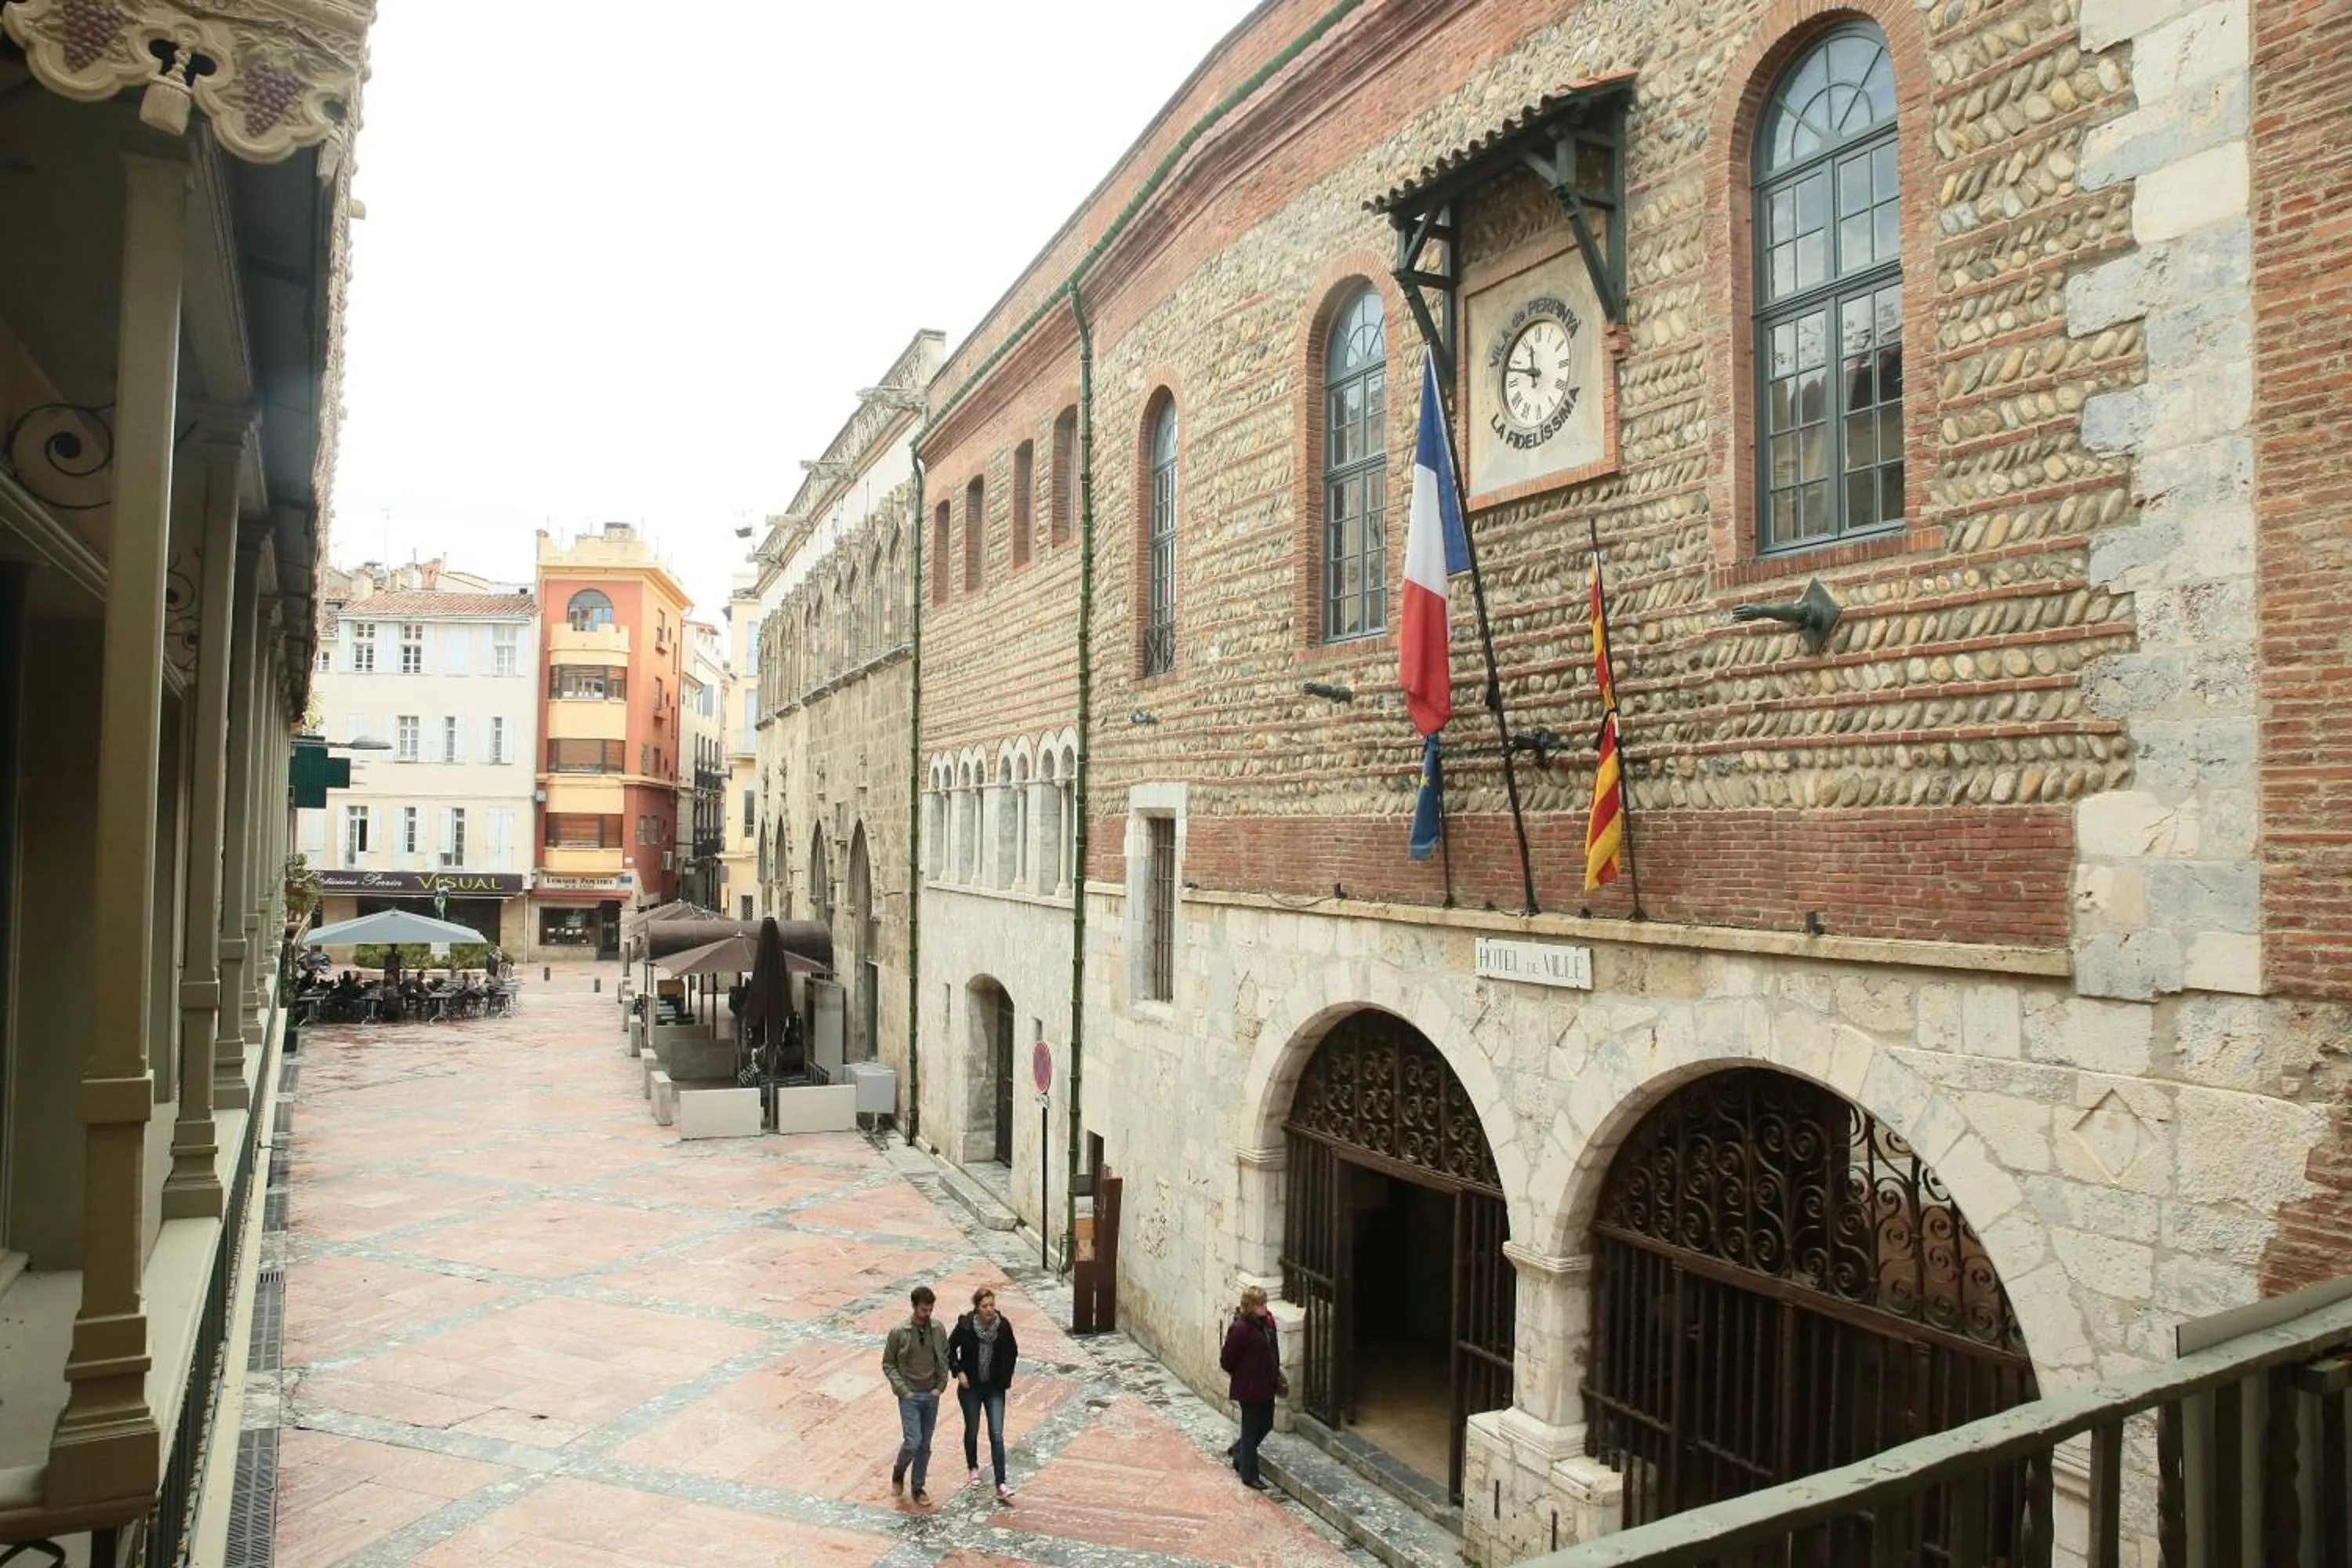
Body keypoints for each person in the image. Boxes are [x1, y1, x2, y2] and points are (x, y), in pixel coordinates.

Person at [947, 1286, 1020, 1504]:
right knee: (973, 1429)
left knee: (996, 1434)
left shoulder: (1003, 1327)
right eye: (985, 1306)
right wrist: (958, 1371)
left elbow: (1013, 1352)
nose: (990, 1310)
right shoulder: (966, 1326)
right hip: (971, 1387)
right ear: (977, 1308)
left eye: (992, 1305)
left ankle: (1001, 1484)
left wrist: (1005, 1377)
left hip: (994, 1387)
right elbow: (948, 1349)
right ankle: (973, 1467)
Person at [881, 1283, 951, 1506]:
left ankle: (918, 1486)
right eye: (923, 1310)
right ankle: (898, 1471)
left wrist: (941, 1385)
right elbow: (888, 1363)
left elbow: (945, 1357)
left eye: (930, 1309)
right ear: (914, 1307)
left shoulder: (938, 1329)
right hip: (910, 1394)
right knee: (913, 1441)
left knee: (925, 1444)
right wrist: (903, 1390)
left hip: (931, 1394)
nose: (927, 1314)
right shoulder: (899, 1332)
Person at [1219, 1283, 1283, 1491]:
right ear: (1249, 1306)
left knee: (1266, 1424)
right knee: (1250, 1429)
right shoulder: (1241, 1328)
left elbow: (1273, 1349)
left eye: (1264, 1303)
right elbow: (1227, 1358)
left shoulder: (1268, 1322)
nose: (1264, 1307)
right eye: (1259, 1304)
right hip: (1250, 1387)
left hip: (1267, 1384)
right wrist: (1244, 1376)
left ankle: (1239, 1451)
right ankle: (1249, 1475)